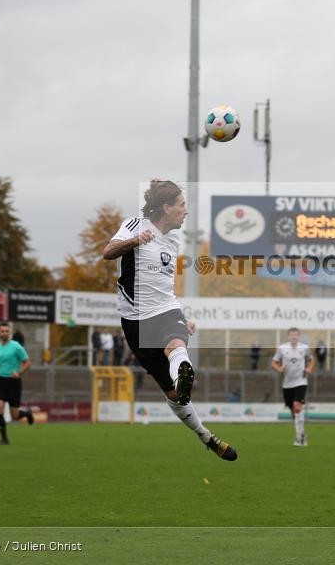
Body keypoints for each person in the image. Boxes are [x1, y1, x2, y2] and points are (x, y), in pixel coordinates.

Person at [102, 179, 236, 461]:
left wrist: (181, 317)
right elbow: (107, 252)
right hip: (135, 320)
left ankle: (184, 374)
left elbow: (164, 286)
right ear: (166, 207)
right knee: (173, 394)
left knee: (177, 345)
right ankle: (205, 435)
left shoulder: (174, 241)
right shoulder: (136, 224)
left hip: (165, 311)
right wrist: (135, 241)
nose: (186, 212)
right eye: (182, 205)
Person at [0, 322, 35, 445]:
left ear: (9, 332)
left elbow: (27, 363)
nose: (4, 333)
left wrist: (19, 373)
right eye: (2, 331)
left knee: (14, 415)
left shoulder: (16, 346)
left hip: (14, 382)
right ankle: (4, 439)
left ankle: (27, 413)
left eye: (6, 331)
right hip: (0, 381)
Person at [272, 327, 314, 446]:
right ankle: (302, 433)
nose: (294, 337)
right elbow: (274, 362)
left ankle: (299, 438)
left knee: (297, 407)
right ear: (288, 336)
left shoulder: (305, 348)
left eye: (296, 335)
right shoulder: (282, 348)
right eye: (292, 335)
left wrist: (310, 368)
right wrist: (279, 368)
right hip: (287, 384)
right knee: (293, 411)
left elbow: (311, 360)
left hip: (301, 382)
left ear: (299, 336)